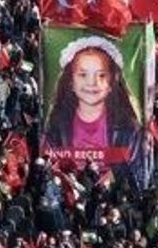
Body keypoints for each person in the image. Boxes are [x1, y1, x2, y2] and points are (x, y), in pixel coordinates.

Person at [43, 36, 149, 186]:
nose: (91, 83)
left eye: (101, 75)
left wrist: (114, 177)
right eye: (83, 75)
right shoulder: (56, 126)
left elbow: (139, 173)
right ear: (71, 81)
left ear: (112, 82)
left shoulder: (128, 128)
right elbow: (48, 164)